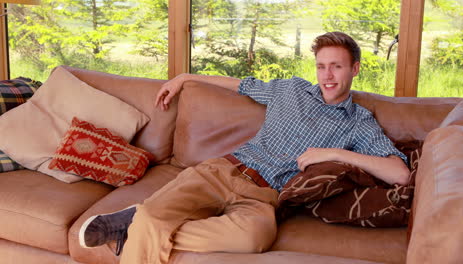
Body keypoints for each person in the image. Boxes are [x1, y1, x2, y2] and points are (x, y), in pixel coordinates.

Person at [78, 32, 410, 264]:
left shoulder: (358, 122)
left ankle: (136, 223)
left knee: (252, 240)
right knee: (153, 216)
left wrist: (335, 153)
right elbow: (239, 85)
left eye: (336, 66)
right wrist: (184, 77)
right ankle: (144, 221)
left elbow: (401, 174)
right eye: (322, 66)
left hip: (265, 198)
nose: (327, 75)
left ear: (355, 69)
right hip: (223, 171)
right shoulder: (289, 90)